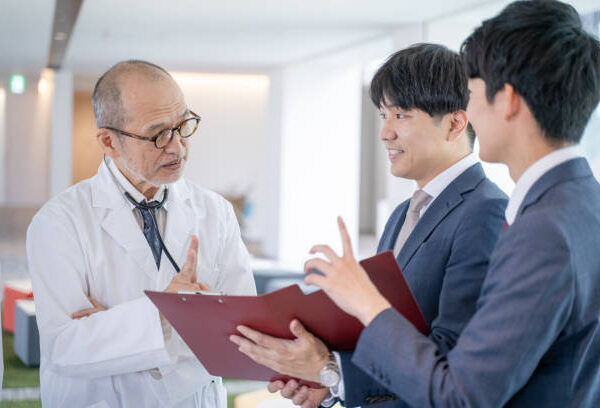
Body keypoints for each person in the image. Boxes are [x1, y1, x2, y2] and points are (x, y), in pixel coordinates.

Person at [264, 1, 600, 407]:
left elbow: (461, 392)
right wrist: (336, 376)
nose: (470, 110)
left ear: (507, 100)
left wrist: (363, 304)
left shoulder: (541, 228)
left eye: (473, 94)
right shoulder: (578, 202)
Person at [230, 44, 508, 407]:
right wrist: (331, 382)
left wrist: (329, 369)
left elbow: (453, 359)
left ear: (456, 123)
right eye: (383, 115)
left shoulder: (487, 210)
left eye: (402, 116)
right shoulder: (403, 214)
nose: (385, 133)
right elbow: (383, 338)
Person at [27, 60, 256, 408]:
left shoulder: (216, 213)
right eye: (158, 134)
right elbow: (65, 347)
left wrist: (115, 327)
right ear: (109, 142)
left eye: (183, 125)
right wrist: (166, 313)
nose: (177, 147)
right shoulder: (58, 223)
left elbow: (243, 333)